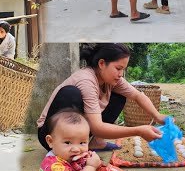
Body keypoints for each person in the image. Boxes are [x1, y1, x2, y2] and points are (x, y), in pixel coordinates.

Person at [37, 43, 167, 153]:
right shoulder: (86, 80)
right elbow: (97, 127)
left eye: (123, 69)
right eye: (118, 68)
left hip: (78, 136)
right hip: (50, 135)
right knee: (71, 93)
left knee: (120, 96)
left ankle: (96, 142)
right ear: (102, 63)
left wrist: (157, 116)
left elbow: (138, 96)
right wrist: (139, 131)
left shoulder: (113, 80)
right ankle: (66, 147)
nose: (120, 74)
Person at [38, 108, 131, 171]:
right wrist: (91, 167)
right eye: (67, 142)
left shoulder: (77, 157)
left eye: (82, 143)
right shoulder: (52, 165)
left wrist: (97, 165)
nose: (76, 149)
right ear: (50, 141)